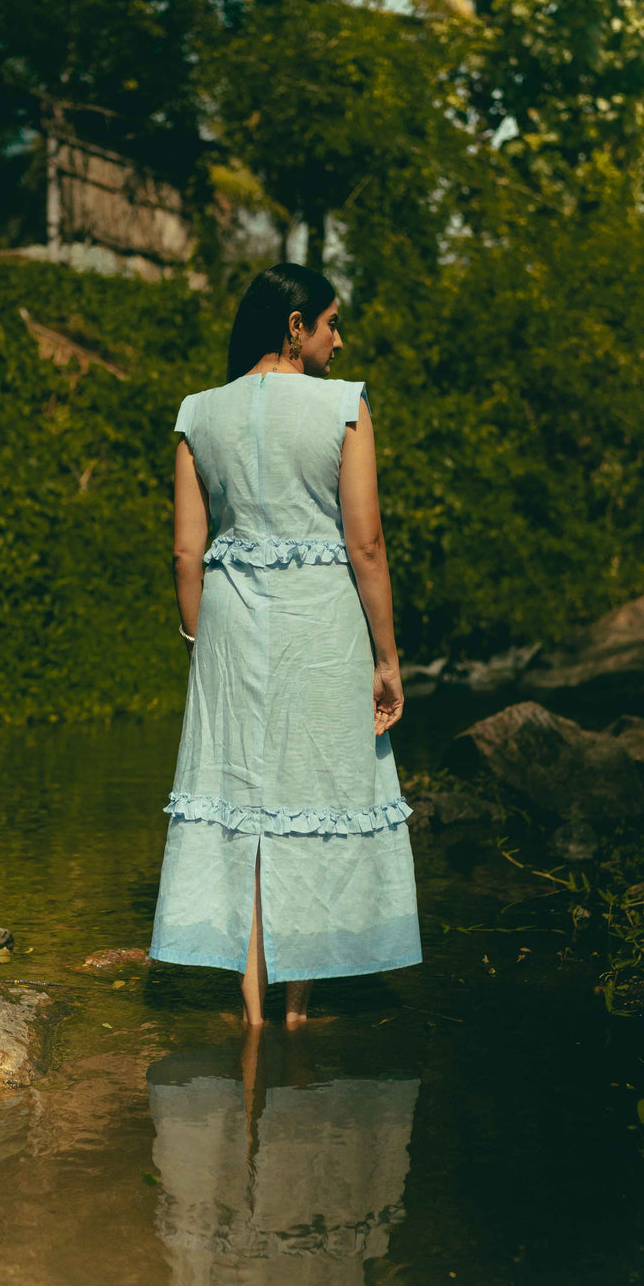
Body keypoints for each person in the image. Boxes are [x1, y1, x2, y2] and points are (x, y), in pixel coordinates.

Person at [149, 263, 421, 1027]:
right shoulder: (344, 406)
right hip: (323, 626)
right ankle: (299, 1005)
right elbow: (365, 543)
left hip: (231, 626)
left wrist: (200, 640)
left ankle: (251, 1004)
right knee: (318, 792)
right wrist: (387, 659)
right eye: (332, 324)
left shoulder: (198, 413)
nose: (341, 340)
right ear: (295, 327)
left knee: (243, 799)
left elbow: (184, 552)